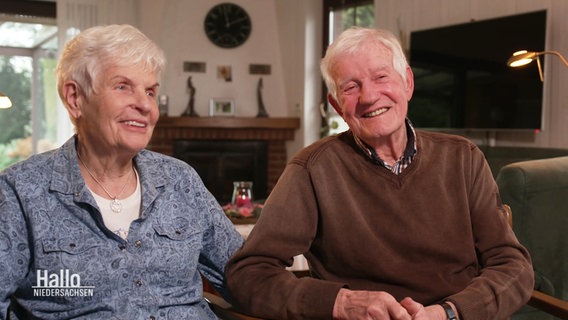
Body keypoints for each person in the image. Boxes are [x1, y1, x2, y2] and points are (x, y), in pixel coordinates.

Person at [226, 27, 534, 320]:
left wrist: (449, 312)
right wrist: (342, 303)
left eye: (381, 77)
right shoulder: (312, 169)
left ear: (408, 83)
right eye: (351, 86)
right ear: (336, 105)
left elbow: (513, 267)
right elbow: (248, 276)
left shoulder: (463, 158)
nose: (370, 96)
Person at [0, 24, 243, 319]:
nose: (144, 105)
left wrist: (307, 301)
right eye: (123, 86)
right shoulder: (19, 191)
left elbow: (243, 273)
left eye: (151, 91)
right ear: (75, 98)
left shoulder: (181, 180)